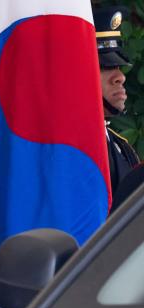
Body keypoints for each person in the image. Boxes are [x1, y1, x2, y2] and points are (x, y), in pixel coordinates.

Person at [93, 6, 141, 205]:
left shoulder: (122, 147)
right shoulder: (65, 146)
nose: (120, 77)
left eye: (119, 67)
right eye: (105, 67)